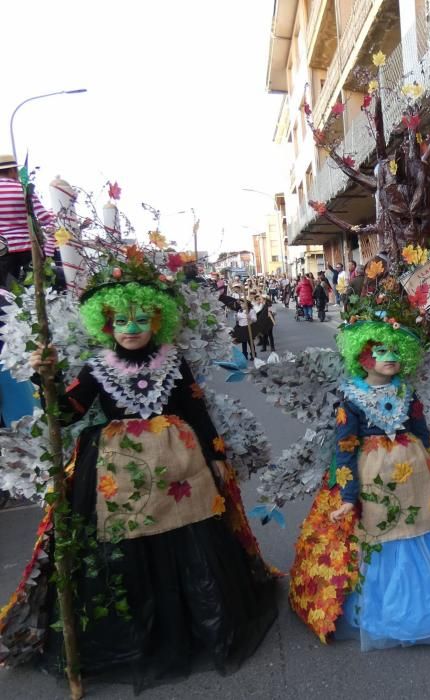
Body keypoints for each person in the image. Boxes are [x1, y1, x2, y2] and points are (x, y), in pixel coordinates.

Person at [2, 259, 277, 689]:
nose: (132, 327)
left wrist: (216, 454)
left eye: (141, 318)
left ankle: (196, 622)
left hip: (180, 464)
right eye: (121, 319)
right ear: (107, 323)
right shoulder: (97, 368)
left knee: (189, 534)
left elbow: (195, 408)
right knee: (128, 542)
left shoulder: (175, 363)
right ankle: (139, 636)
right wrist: (45, 376)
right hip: (119, 468)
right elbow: (64, 412)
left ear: (157, 320)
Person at [288, 310, 430, 649]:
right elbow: (345, 448)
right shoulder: (350, 397)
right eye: (380, 352)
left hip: (417, 481)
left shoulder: (407, 393)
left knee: (424, 529)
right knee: (384, 534)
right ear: (362, 358)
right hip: (374, 482)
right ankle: (394, 611)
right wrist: (349, 496)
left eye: (394, 351)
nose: (389, 357)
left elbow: (422, 434)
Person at [0, 154, 55, 287]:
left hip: (2, 251)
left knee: (6, 292)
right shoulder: (23, 189)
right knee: (36, 288)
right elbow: (45, 219)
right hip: (28, 248)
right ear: (13, 170)